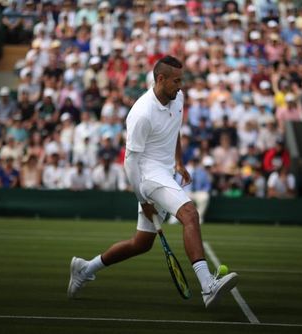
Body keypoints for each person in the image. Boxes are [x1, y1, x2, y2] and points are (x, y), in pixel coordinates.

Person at [67, 56, 238, 308]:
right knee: (190, 214)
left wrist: (178, 161)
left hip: (165, 173)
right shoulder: (141, 113)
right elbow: (130, 163)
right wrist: (142, 199)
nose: (181, 86)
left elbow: (174, 128)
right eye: (177, 80)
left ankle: (85, 269)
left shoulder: (176, 97)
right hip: (147, 177)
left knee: (141, 244)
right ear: (160, 79)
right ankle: (207, 286)